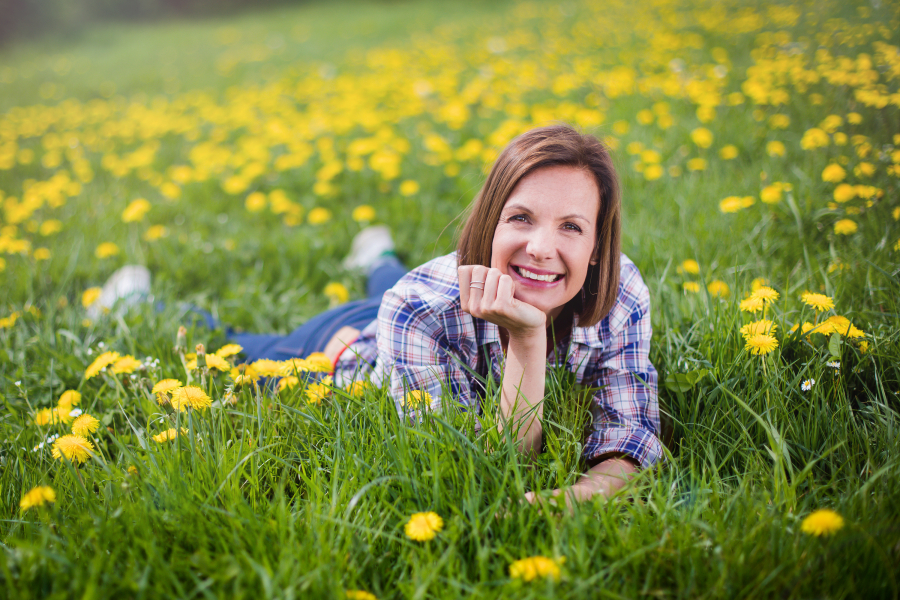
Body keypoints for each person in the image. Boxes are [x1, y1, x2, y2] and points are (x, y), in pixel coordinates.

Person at [95, 124, 663, 506]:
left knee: (392, 283)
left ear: (597, 245)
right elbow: (495, 463)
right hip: (348, 347)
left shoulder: (623, 294)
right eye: (521, 218)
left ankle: (377, 255)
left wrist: (572, 501)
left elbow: (629, 438)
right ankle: (133, 299)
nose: (542, 247)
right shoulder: (417, 307)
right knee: (235, 346)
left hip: (410, 306)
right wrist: (526, 339)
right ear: (489, 223)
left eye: (571, 226)